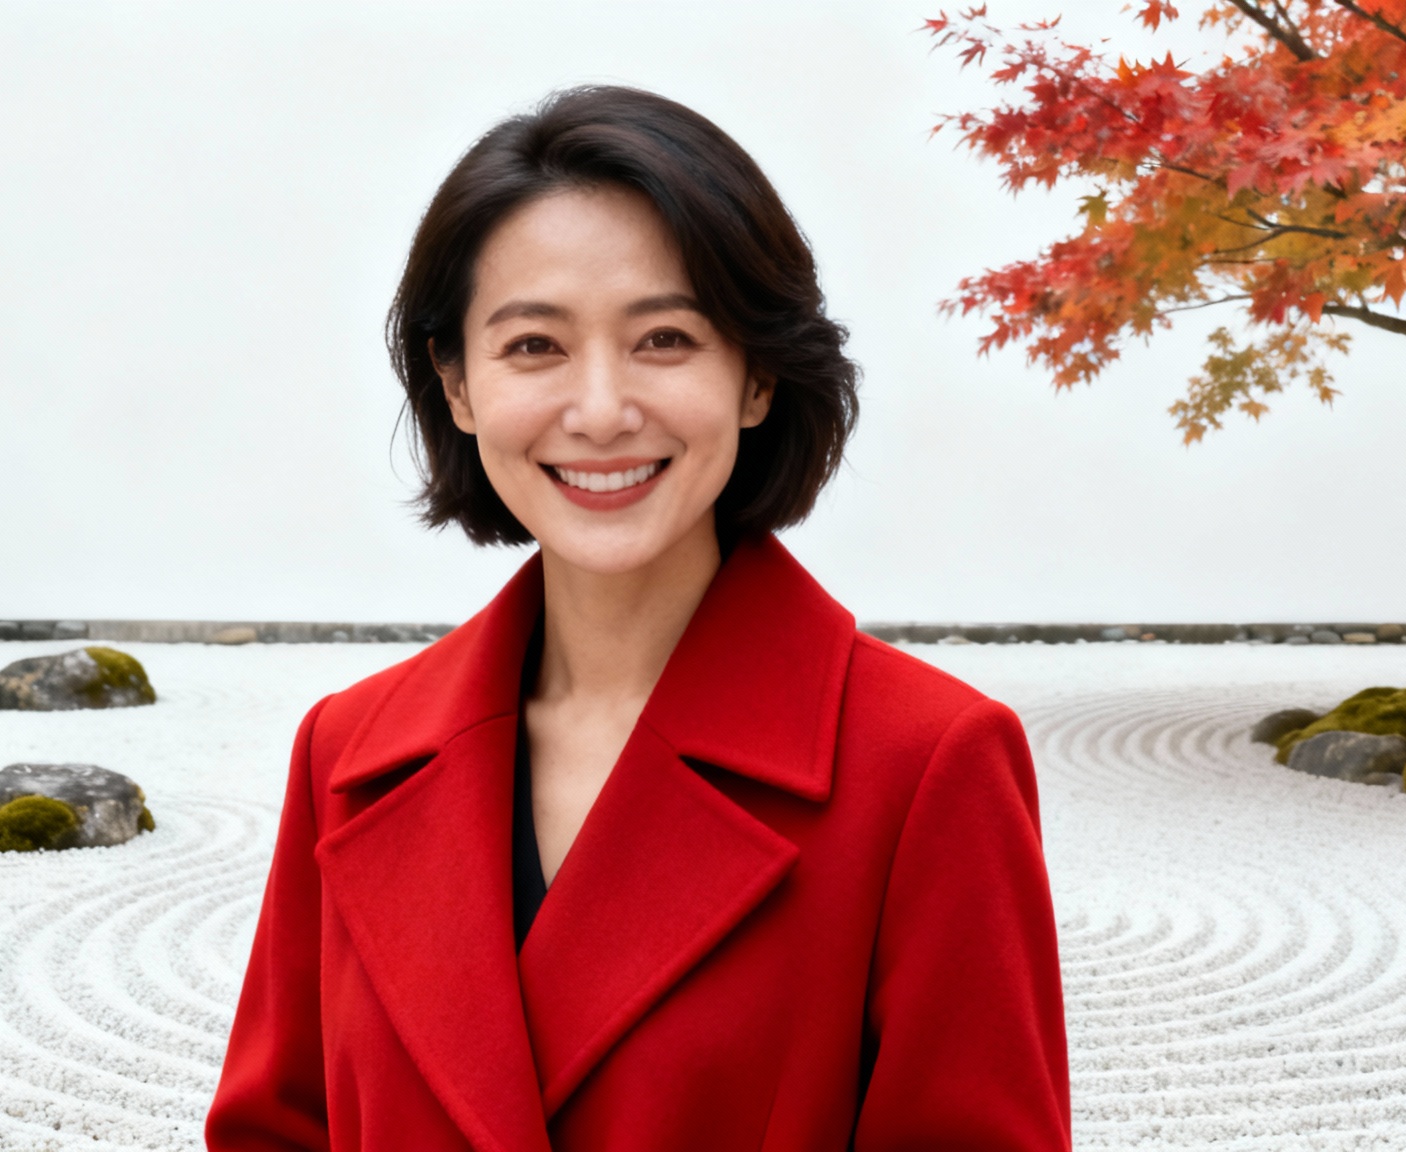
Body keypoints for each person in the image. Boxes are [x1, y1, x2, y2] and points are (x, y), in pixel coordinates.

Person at [204, 86, 1071, 1150]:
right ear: (457, 385)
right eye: (534, 346)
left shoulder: (927, 765)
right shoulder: (346, 754)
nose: (602, 410)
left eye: (664, 338)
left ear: (756, 376)